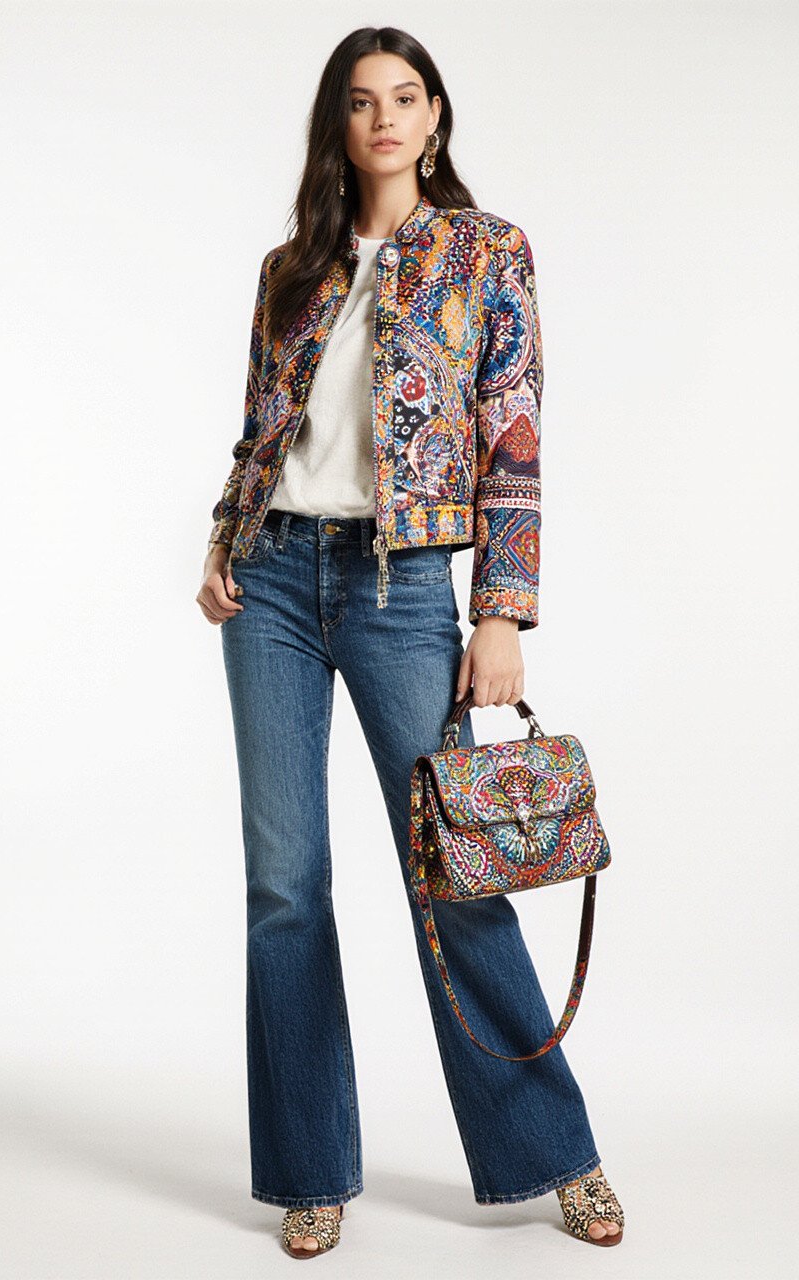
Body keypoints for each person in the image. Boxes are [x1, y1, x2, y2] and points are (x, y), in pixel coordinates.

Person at [196, 26, 625, 1260]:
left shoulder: (485, 250)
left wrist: (501, 609)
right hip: (273, 580)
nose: (383, 117)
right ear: (337, 125)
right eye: (359, 100)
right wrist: (224, 538)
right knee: (284, 885)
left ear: (434, 116)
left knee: (455, 870)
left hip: (403, 591)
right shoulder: (291, 266)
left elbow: (514, 433)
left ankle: (554, 1152)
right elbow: (259, 426)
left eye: (404, 96)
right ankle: (308, 1171)